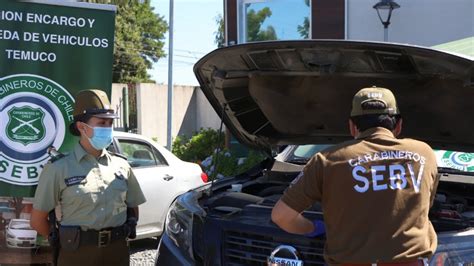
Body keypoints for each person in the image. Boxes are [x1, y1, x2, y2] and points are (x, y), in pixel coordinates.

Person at [271, 86, 439, 265]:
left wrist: (313, 227)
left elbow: (282, 216)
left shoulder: (327, 160)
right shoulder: (424, 153)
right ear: (398, 125)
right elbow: (426, 205)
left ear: (352, 126)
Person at [31, 89, 146, 266]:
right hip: (76, 254)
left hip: (117, 251)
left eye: (110, 123)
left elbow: (133, 208)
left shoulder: (121, 165)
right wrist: (64, 239)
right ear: (81, 127)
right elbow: (38, 220)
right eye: (102, 123)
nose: (108, 128)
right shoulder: (58, 168)